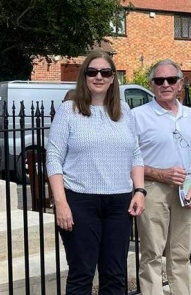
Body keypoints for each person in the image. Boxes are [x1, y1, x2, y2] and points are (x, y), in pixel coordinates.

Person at [46, 51, 146, 295]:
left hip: (119, 202)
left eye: (105, 72)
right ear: (84, 77)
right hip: (80, 201)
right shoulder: (69, 111)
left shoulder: (123, 111)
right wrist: (61, 203)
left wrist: (140, 190)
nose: (98, 77)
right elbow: (53, 157)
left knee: (115, 274)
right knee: (82, 273)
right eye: (92, 72)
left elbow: (135, 154)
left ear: (113, 78)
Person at [133, 59, 191, 295]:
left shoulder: (190, 115)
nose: (165, 84)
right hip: (152, 190)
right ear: (151, 84)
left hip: (186, 190)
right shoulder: (138, 116)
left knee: (181, 254)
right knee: (152, 254)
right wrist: (159, 173)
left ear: (180, 84)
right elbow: (129, 161)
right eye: (159, 80)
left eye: (171, 80)